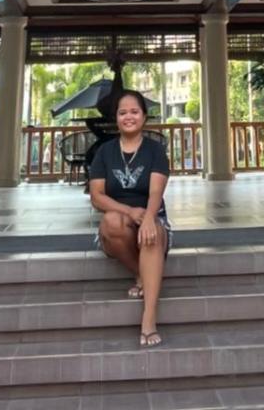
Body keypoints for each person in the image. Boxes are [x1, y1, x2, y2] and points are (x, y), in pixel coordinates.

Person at [88, 89, 170, 348]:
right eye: (123, 113)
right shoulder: (104, 152)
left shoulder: (155, 150)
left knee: (151, 234)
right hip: (120, 220)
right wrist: (129, 212)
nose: (129, 117)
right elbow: (97, 196)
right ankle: (140, 274)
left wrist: (148, 218)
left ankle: (149, 318)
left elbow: (156, 191)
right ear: (116, 118)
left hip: (151, 214)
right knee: (112, 221)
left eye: (134, 111)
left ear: (144, 116)